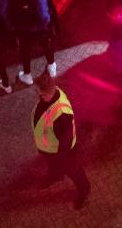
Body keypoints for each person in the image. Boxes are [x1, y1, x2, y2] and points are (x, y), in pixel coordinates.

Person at [33, 74, 91, 210]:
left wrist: (61, 159)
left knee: (74, 171)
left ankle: (84, 190)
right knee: (54, 166)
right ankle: (56, 175)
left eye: (40, 95)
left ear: (48, 93)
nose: (37, 97)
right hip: (49, 149)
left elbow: (66, 140)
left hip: (64, 153)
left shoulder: (62, 114)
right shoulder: (48, 97)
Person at [2, 0, 57, 85]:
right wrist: (45, 24)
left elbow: (3, 10)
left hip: (22, 30)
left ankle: (27, 75)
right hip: (39, 28)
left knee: (25, 51)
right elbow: (44, 14)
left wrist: (12, 26)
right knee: (46, 45)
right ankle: (51, 66)